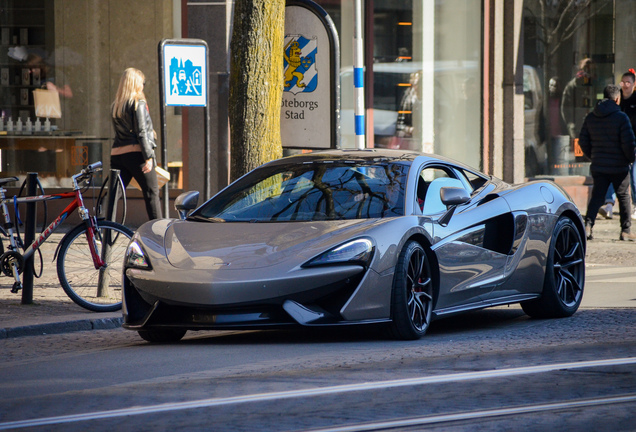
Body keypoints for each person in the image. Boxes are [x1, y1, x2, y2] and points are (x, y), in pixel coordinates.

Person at [579, 84, 636, 241]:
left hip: (599, 165)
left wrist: (594, 156)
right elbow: (629, 143)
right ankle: (625, 230)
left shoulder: (591, 117)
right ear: (617, 99)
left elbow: (583, 141)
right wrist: (629, 159)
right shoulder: (621, 117)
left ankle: (588, 226)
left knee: (597, 196)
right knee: (624, 196)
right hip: (619, 166)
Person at [111, 68, 162, 220]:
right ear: (135, 83)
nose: (143, 86)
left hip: (118, 155)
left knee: (114, 194)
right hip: (137, 154)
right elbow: (142, 132)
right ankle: (158, 232)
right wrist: (149, 157)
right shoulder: (138, 103)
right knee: (151, 193)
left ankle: (102, 230)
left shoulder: (116, 106)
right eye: (142, 82)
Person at [619, 69, 636, 220]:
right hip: (619, 145)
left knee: (635, 176)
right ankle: (610, 204)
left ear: (633, 84)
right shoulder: (617, 99)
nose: (624, 85)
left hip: (634, 143)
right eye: (623, 82)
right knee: (616, 174)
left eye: (628, 82)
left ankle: (635, 205)